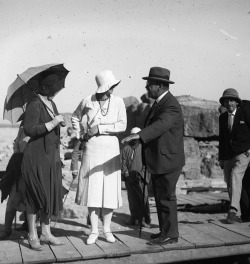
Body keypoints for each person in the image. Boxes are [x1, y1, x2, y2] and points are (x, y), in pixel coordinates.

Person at [122, 67, 185, 245]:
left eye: (149, 85)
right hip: (159, 160)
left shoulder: (171, 105)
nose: (147, 88)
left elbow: (161, 125)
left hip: (168, 160)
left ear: (159, 85)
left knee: (166, 197)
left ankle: (171, 234)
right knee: (160, 198)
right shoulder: (158, 103)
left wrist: (139, 135)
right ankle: (165, 231)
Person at [71, 70, 127, 245]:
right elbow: (75, 117)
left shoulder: (118, 102)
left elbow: (122, 125)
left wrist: (100, 128)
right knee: (93, 190)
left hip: (111, 149)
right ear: (104, 86)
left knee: (109, 191)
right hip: (92, 149)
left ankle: (107, 230)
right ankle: (94, 230)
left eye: (113, 87)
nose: (112, 90)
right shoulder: (87, 100)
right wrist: (80, 134)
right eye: (110, 87)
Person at [21, 74, 65, 250]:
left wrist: (58, 123)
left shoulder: (50, 104)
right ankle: (32, 234)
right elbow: (29, 129)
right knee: (34, 196)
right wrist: (53, 123)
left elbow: (51, 129)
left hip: (50, 156)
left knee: (49, 194)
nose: (57, 90)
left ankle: (45, 233)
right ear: (46, 88)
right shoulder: (34, 103)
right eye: (54, 88)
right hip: (36, 157)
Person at [218, 89, 250, 224]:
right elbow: (222, 139)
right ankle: (238, 212)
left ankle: (232, 211)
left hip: (244, 152)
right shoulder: (222, 118)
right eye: (227, 100)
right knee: (229, 182)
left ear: (237, 102)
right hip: (228, 155)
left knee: (235, 175)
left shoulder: (245, 113)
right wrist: (221, 158)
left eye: (232, 100)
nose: (229, 103)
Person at [0, 124, 29, 240]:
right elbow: (16, 146)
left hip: (33, 170)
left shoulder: (41, 128)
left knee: (32, 201)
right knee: (12, 199)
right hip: (18, 169)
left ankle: (29, 228)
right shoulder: (22, 128)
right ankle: (7, 230)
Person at [121, 127, 151, 228]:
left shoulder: (143, 147)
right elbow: (123, 163)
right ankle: (134, 218)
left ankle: (144, 219)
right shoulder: (126, 148)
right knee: (132, 199)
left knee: (143, 199)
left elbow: (147, 164)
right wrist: (126, 173)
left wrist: (141, 175)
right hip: (130, 178)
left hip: (141, 178)